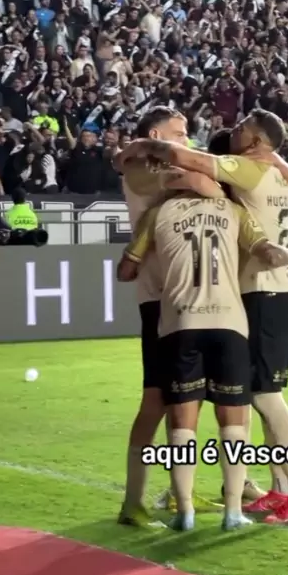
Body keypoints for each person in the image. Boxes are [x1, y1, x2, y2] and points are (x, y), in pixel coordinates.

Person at [121, 109, 288, 524]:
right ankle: (272, 489)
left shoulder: (240, 170)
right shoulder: (267, 169)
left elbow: (196, 173)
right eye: (179, 133)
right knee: (222, 398)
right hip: (230, 294)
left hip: (258, 291)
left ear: (254, 142)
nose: (186, 141)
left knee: (257, 396)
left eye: (243, 128)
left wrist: (140, 146)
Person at [115, 106, 225, 527]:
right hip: (159, 297)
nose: (187, 141)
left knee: (185, 399)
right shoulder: (139, 170)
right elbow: (199, 181)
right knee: (156, 399)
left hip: (185, 297)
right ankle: (133, 502)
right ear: (157, 135)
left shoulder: (150, 163)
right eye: (180, 134)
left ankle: (181, 492)